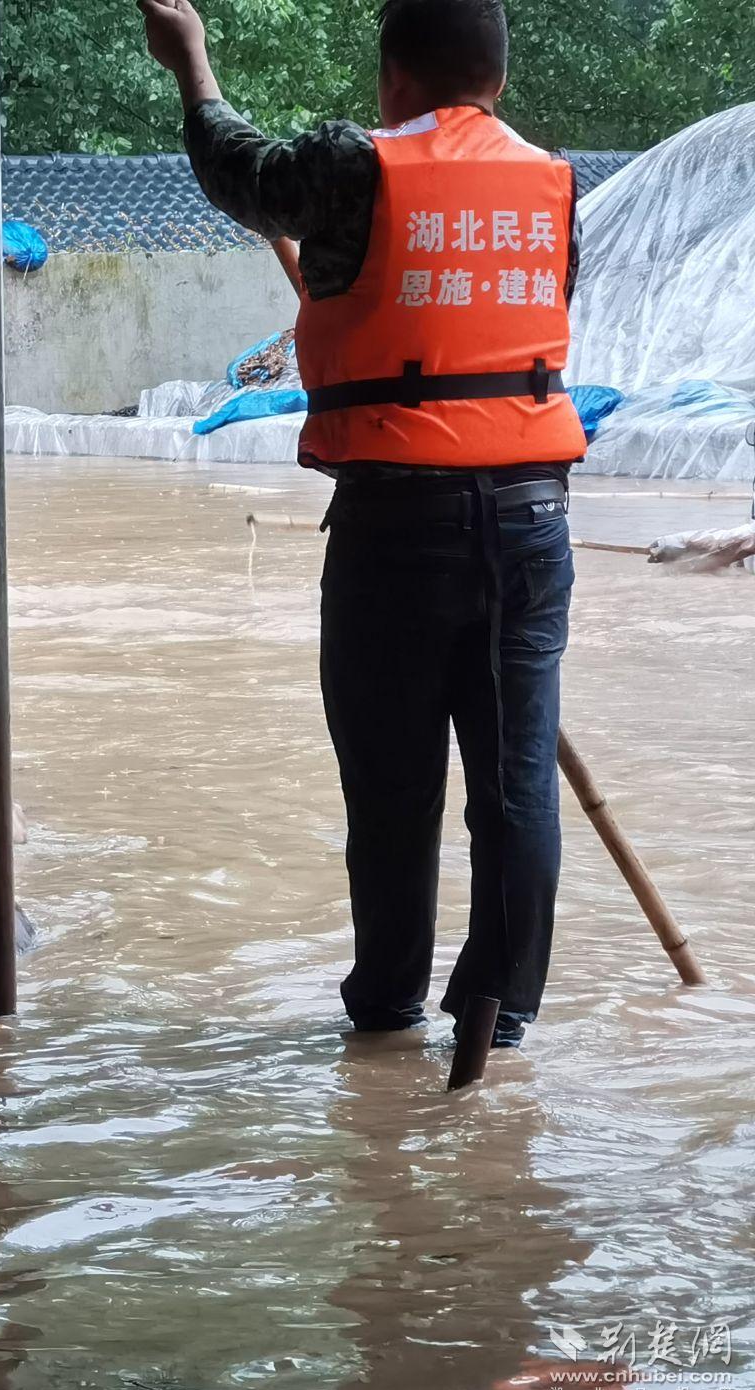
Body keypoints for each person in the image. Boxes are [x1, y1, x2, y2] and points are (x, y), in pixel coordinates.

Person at [138, 0, 584, 1049]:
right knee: (516, 788)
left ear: (393, 77)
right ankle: (499, 1020)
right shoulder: (557, 186)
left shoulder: (355, 166)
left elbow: (237, 170)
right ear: (500, 79)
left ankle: (386, 1017)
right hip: (531, 521)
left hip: (398, 526)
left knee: (392, 789)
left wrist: (191, 62)